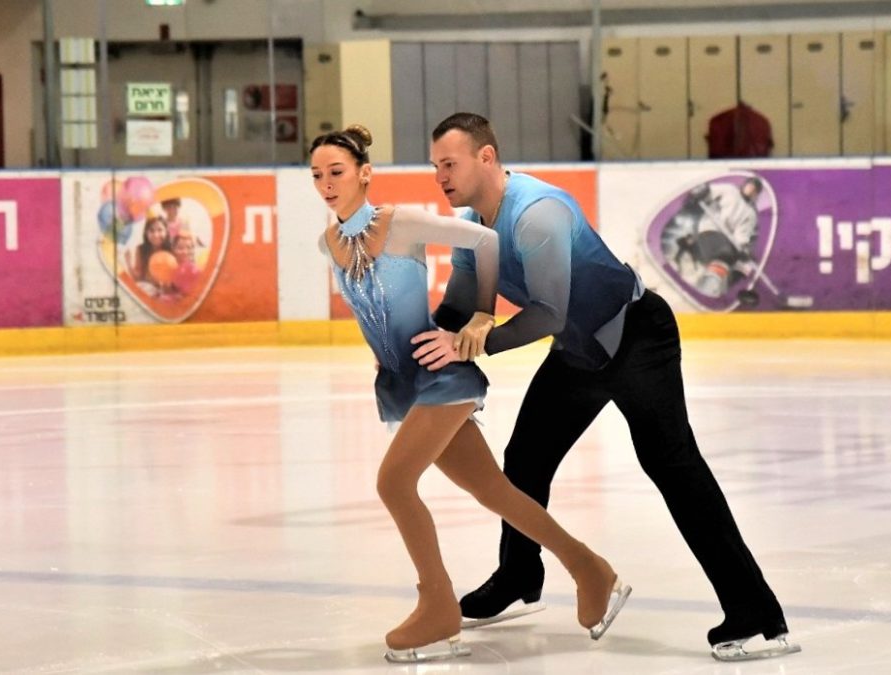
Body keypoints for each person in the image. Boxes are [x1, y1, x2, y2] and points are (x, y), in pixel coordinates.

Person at [416, 112, 798, 662]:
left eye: (448, 164)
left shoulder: (538, 215)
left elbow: (547, 313)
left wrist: (475, 345)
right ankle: (519, 577)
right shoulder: (475, 229)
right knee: (525, 458)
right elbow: (457, 306)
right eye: (435, 167)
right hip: (580, 350)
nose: (439, 177)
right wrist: (415, 344)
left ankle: (757, 614)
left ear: (486, 158)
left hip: (636, 336)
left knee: (673, 467)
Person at [311, 124, 631, 663]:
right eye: (317, 175)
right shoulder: (330, 244)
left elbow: (485, 240)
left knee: (394, 482)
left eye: (337, 172)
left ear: (365, 174)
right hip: (405, 381)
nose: (326, 183)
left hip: (444, 378)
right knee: (494, 491)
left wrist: (481, 316)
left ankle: (437, 606)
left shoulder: (401, 223)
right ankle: (590, 569)